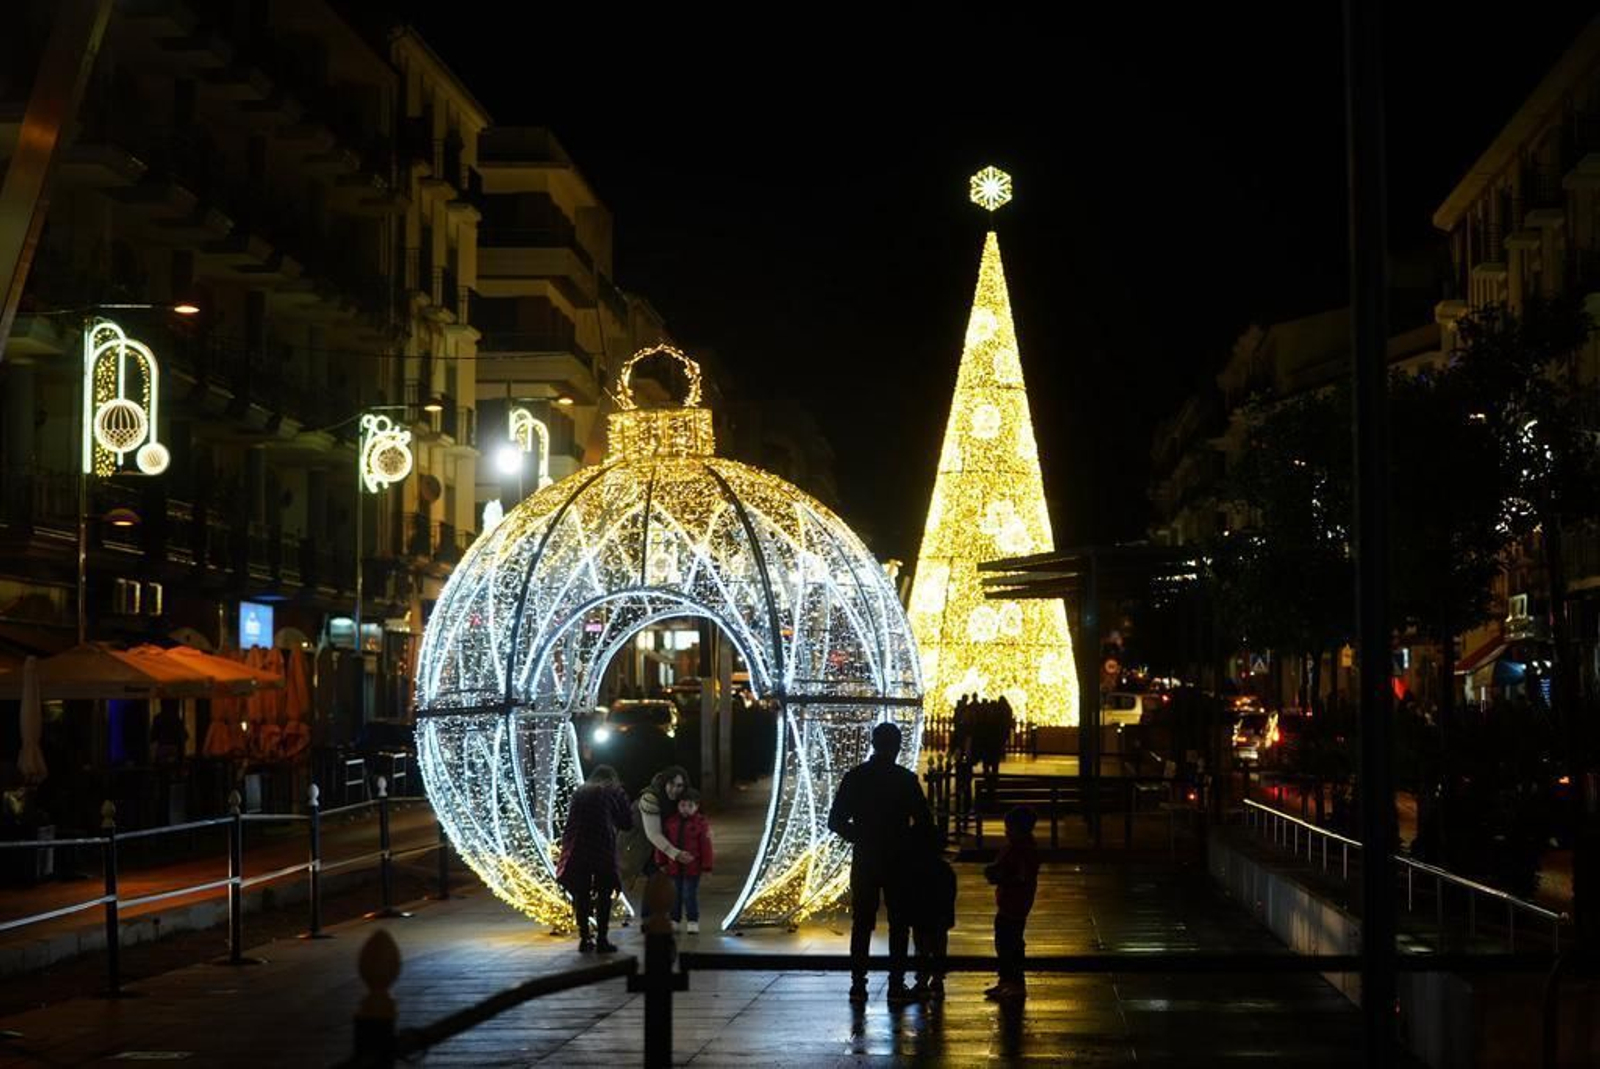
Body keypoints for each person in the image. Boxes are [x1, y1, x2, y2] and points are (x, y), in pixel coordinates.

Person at [827, 721, 932, 1004]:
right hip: (898, 858)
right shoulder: (904, 779)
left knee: (862, 923)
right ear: (897, 747)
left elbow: (835, 820)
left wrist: (861, 836)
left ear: (873, 744)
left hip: (866, 857)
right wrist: (906, 840)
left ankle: (858, 984)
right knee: (899, 923)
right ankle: (896, 984)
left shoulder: (856, 777)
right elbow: (924, 822)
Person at [557, 764, 633, 953]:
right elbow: (627, 822)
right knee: (604, 894)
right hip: (602, 847)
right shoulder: (614, 790)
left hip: (577, 848)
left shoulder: (580, 791)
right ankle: (602, 939)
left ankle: (584, 938)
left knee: (581, 894)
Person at [984, 806, 1041, 1001]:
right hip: (1012, 900)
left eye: (1009, 827)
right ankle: (1007, 980)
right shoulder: (1019, 847)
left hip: (1014, 901)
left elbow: (1019, 876)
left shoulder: (1022, 849)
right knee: (1006, 941)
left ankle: (1013, 981)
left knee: (1010, 942)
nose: (1006, 831)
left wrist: (997, 875)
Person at [626, 765, 693, 916]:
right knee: (654, 878)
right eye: (671, 784)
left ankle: (652, 918)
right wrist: (675, 853)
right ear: (664, 783)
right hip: (638, 845)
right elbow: (653, 833)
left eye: (679, 786)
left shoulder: (680, 799)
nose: (675, 789)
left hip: (659, 846)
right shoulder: (650, 798)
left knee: (659, 880)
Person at [908, 823, 957, 1000]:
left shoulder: (915, 869)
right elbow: (950, 895)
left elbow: (911, 892)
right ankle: (937, 980)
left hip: (922, 916)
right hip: (940, 917)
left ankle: (922, 982)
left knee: (922, 949)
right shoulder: (945, 870)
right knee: (939, 948)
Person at [659, 786, 714, 933]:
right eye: (682, 805)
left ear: (697, 806)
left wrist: (707, 867)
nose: (686, 809)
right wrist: (662, 862)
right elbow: (663, 844)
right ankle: (675, 920)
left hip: (693, 869)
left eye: (690, 805)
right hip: (673, 868)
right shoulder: (671, 822)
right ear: (677, 805)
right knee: (675, 895)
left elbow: (706, 847)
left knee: (690, 895)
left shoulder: (701, 824)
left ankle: (692, 921)